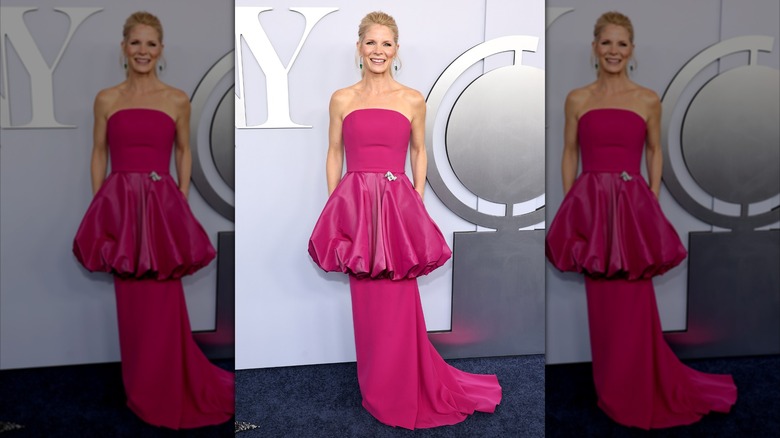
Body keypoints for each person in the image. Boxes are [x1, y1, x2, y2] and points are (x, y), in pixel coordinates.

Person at [308, 11, 502, 430]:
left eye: (386, 43)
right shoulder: (341, 98)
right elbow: (334, 153)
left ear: (396, 49)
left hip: (395, 207)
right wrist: (335, 205)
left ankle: (403, 385)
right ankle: (377, 388)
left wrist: (415, 199)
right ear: (359, 48)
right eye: (371, 43)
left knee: (397, 298)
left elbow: (419, 151)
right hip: (357, 206)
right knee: (366, 302)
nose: (378, 51)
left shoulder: (413, 98)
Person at [545, 11, 737, 429]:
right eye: (606, 42)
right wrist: (572, 203)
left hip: (631, 210)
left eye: (622, 43)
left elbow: (654, 151)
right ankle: (612, 388)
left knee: (633, 300)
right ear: (594, 47)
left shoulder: (648, 99)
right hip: (593, 208)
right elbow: (569, 152)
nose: (614, 51)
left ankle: (638, 385)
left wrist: (649, 198)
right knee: (602, 303)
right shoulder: (577, 99)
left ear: (632, 50)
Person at [72, 11, 234, 429]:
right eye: (135, 43)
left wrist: (178, 201)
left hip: (161, 210)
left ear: (161, 50)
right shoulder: (106, 99)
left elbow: (184, 151)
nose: (142, 51)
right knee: (130, 303)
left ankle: (167, 384)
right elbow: (98, 153)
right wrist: (101, 204)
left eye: (150, 43)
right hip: (122, 210)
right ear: (123, 48)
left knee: (162, 300)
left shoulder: (177, 99)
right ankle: (141, 388)